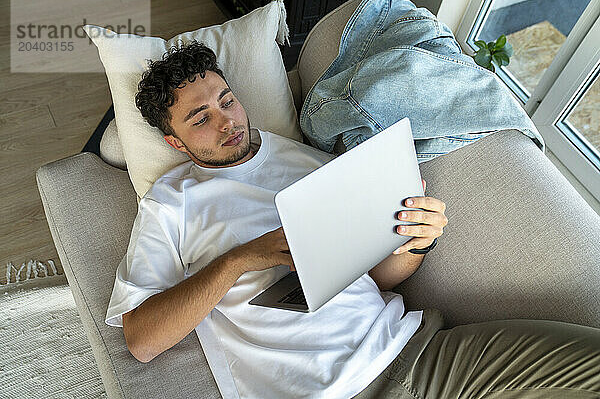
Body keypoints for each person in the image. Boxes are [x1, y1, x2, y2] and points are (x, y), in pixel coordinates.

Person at [106, 42, 600, 399]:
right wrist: (240, 259)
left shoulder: (308, 162)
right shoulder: (171, 204)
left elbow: (374, 274)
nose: (226, 121)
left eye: (226, 100)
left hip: (423, 355)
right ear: (175, 143)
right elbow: (143, 341)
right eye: (199, 118)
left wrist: (413, 245)